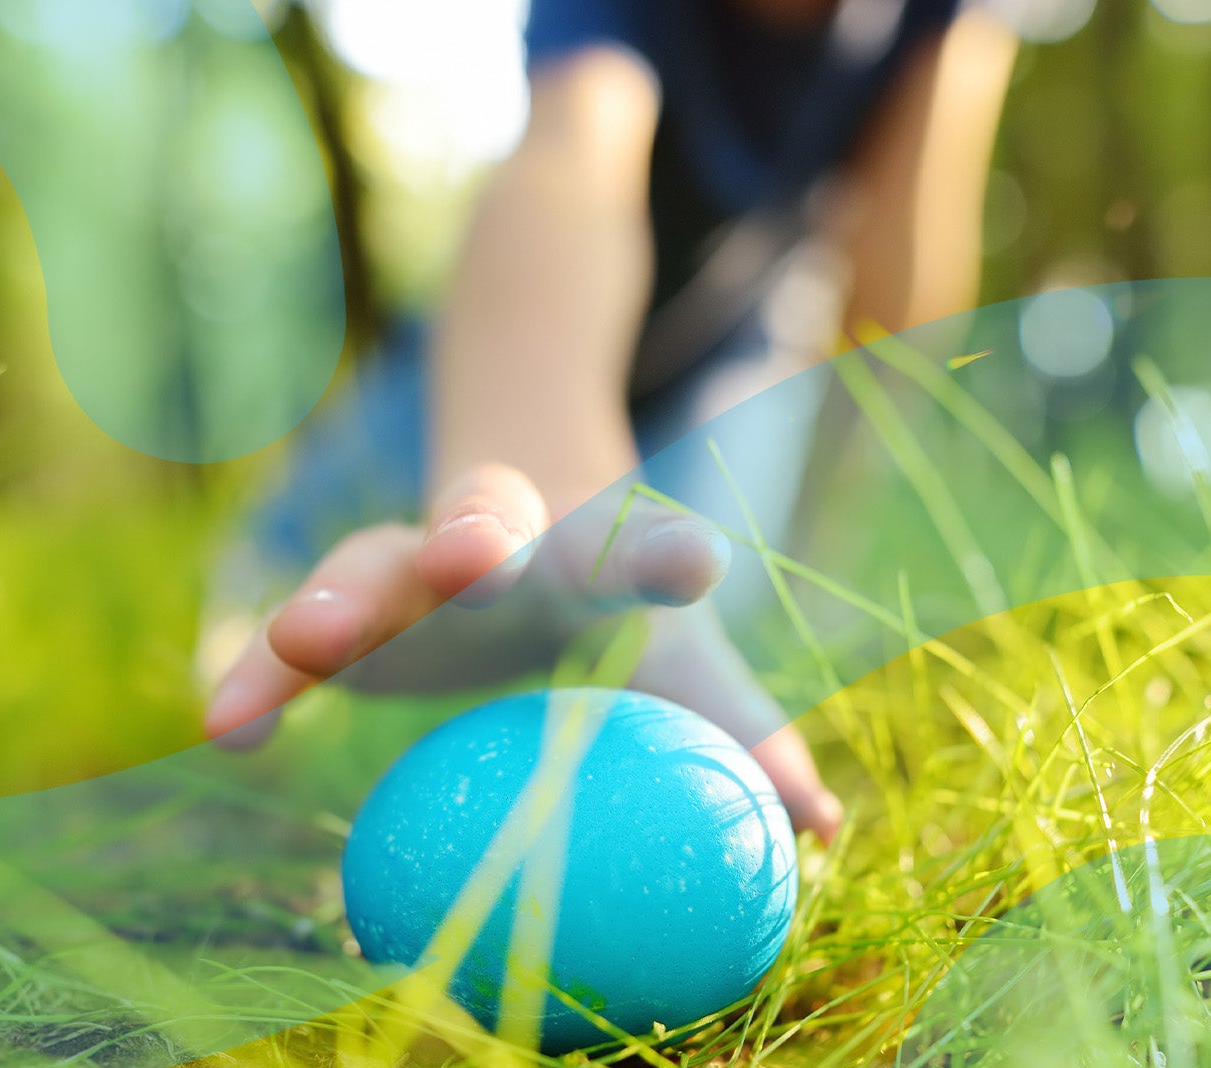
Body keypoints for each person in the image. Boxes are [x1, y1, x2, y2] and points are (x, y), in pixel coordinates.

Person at [201, 0, 1018, 839]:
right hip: (494, 341)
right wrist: (554, 477)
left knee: (709, 610)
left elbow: (899, 275)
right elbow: (572, 158)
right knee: (277, 599)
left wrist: (823, 545)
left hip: (723, 361)